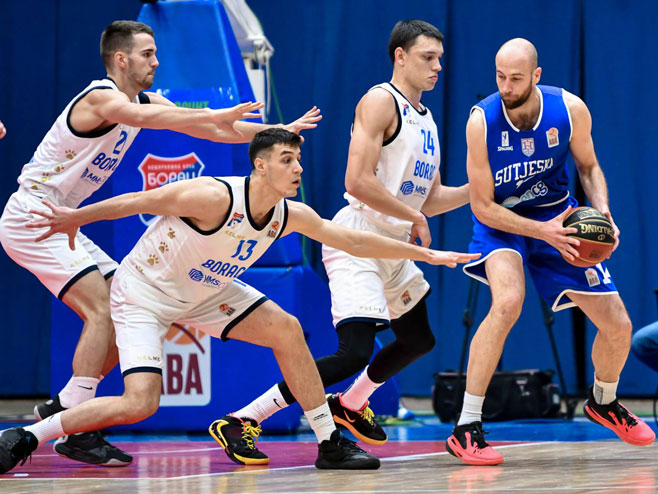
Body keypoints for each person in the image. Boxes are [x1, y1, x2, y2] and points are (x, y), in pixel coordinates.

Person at [0, 128, 478, 473]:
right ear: (260, 165)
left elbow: (353, 241)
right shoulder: (212, 196)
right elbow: (136, 202)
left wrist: (425, 253)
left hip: (207, 291)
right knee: (141, 402)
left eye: (299, 159)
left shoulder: (291, 212)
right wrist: (74, 218)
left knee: (288, 329)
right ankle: (27, 436)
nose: (298, 168)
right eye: (287, 160)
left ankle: (329, 443)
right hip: (144, 294)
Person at [0, 20, 320, 467]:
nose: (155, 61)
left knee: (122, 302)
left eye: (155, 53)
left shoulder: (148, 99)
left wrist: (276, 132)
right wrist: (209, 115)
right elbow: (152, 119)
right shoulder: (99, 98)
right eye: (147, 53)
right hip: (36, 216)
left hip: (65, 217)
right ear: (120, 59)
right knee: (102, 307)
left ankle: (71, 416)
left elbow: (216, 132)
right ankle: (68, 414)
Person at [223, 19, 471, 453]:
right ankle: (245, 418)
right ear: (400, 56)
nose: (437, 68)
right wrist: (412, 215)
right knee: (354, 352)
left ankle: (352, 403)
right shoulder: (380, 101)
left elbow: (428, 199)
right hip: (356, 236)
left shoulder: (426, 120)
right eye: (427, 58)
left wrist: (482, 191)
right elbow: (357, 181)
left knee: (418, 339)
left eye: (440, 60)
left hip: (393, 242)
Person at [445, 38, 655, 466]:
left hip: (559, 218)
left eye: (516, 78)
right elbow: (482, 205)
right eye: (500, 76)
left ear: (536, 76)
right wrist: (541, 232)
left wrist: (603, 212)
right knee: (507, 303)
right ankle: (466, 426)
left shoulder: (569, 109)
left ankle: (604, 401)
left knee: (618, 325)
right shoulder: (481, 121)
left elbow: (589, 167)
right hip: (502, 225)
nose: (506, 86)